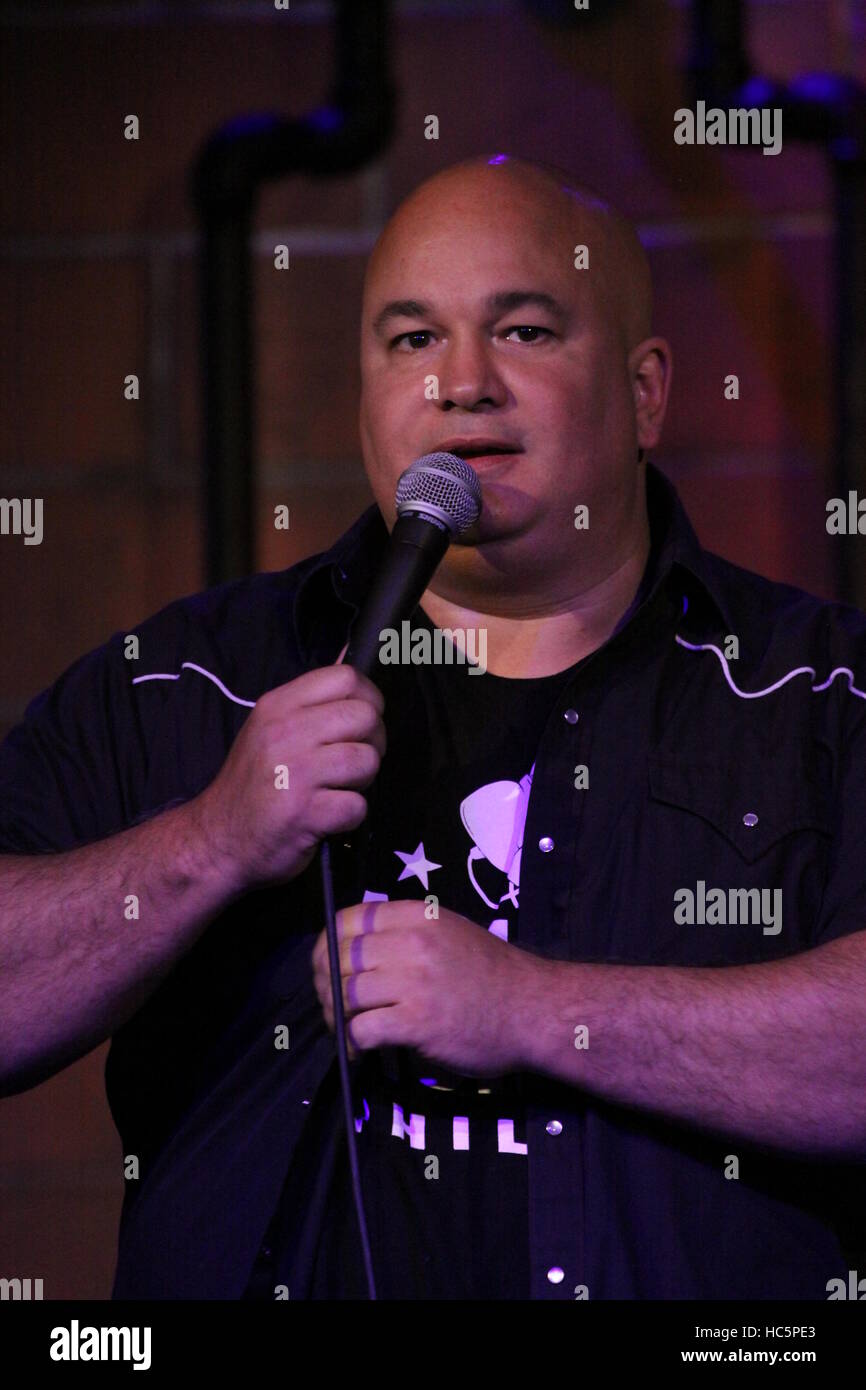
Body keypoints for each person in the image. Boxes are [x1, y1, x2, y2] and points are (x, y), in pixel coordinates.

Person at [1, 154, 865, 1301]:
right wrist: (212, 840)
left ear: (647, 390)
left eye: (522, 331)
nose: (460, 383)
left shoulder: (817, 693)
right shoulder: (184, 682)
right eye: (410, 340)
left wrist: (534, 1009)